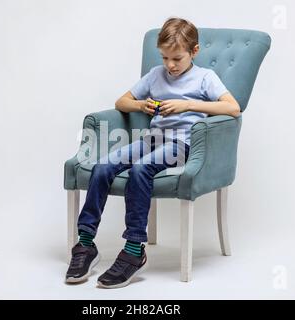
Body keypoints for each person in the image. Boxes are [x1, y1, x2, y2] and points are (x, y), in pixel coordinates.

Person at [65, 17, 240, 289]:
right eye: (165, 57)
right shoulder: (156, 74)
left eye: (177, 59)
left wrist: (188, 106)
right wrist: (141, 105)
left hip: (181, 144)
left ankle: (134, 250)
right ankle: (86, 244)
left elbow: (233, 108)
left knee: (140, 169)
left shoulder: (206, 77)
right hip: (152, 139)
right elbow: (120, 101)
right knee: (102, 167)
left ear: (194, 52)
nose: (170, 65)